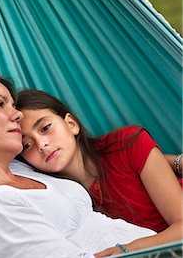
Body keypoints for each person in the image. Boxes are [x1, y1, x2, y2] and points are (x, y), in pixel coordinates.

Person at [0, 71, 157, 258]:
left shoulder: (19, 168)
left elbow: (93, 156)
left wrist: (164, 160)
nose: (16, 115)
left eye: (13, 105)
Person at [16, 89, 182, 256]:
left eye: (45, 128)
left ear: (71, 124)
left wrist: (125, 251)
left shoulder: (127, 145)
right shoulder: (56, 199)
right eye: (27, 145)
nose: (42, 144)